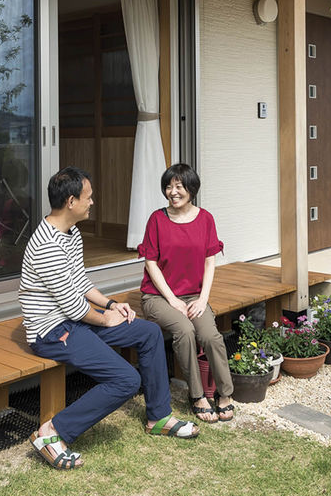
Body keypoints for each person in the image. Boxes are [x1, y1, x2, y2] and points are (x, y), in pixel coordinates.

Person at [20, 166, 197, 471]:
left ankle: (159, 416)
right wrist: (105, 319)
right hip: (52, 331)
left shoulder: (70, 232)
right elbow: (73, 307)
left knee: (148, 333)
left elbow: (79, 282)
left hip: (74, 320)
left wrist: (112, 305)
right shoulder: (47, 245)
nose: (93, 203)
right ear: (71, 201)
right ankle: (51, 432)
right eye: (88, 198)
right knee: (126, 379)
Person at [139, 163, 234, 423]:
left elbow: (209, 261)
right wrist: (172, 300)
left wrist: (203, 299)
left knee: (210, 336)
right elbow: (150, 262)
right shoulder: (157, 219)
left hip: (194, 296)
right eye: (169, 186)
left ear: (191, 188)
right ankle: (197, 395)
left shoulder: (205, 219)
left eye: (179, 186)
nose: (173, 192)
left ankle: (225, 393)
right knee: (185, 331)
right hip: (158, 296)